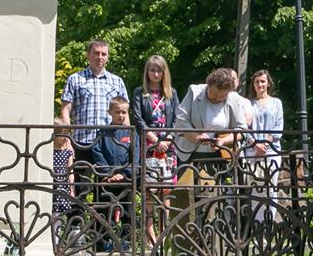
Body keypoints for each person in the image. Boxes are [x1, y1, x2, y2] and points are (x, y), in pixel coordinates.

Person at [59, 39, 128, 186]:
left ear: (108, 57)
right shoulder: (75, 79)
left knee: (106, 188)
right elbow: (65, 110)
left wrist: (127, 140)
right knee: (80, 186)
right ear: (88, 55)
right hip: (82, 141)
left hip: (108, 143)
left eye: (103, 54)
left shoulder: (117, 81)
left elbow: (124, 112)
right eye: (96, 53)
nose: (100, 57)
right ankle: (79, 203)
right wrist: (66, 139)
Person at [90, 97, 137, 250]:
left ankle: (127, 241)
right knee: (103, 210)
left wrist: (124, 173)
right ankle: (102, 242)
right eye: (117, 112)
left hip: (125, 180)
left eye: (124, 112)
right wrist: (108, 173)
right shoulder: (102, 132)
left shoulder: (131, 133)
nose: (121, 115)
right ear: (110, 112)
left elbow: (135, 156)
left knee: (127, 211)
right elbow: (97, 152)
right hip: (106, 180)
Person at [176, 68, 248, 167]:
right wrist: (197, 137)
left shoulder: (234, 98)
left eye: (222, 96)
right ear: (208, 86)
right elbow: (181, 120)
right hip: (191, 154)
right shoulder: (194, 92)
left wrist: (223, 141)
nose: (217, 98)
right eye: (214, 95)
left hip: (222, 155)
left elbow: (242, 130)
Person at [132, 54, 180, 186]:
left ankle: (166, 202)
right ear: (147, 72)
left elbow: (177, 119)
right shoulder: (139, 92)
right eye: (152, 70)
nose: (156, 74)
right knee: (150, 184)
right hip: (148, 143)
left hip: (168, 143)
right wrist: (155, 141)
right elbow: (137, 118)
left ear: (164, 73)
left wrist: (167, 140)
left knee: (167, 184)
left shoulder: (172, 93)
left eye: (159, 71)